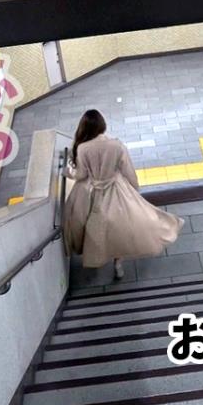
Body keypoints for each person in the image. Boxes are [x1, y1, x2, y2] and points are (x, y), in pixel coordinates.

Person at [63, 109, 184, 279]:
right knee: (121, 226)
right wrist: (134, 190)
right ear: (102, 125)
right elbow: (127, 170)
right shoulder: (116, 145)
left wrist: (68, 173)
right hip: (117, 189)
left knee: (98, 227)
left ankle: (99, 256)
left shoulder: (83, 148)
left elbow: (81, 175)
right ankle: (118, 263)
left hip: (93, 193)